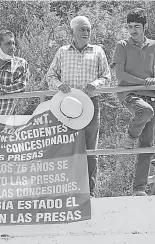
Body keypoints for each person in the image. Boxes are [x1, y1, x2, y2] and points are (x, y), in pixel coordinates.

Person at [46, 16, 111, 197]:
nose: (86, 33)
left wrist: (95, 84)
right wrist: (59, 86)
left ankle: (89, 191)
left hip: (91, 104)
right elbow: (50, 76)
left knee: (90, 149)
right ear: (72, 32)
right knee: (67, 147)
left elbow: (107, 76)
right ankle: (66, 190)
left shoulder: (98, 51)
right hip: (65, 107)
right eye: (82, 29)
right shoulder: (62, 51)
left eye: (88, 30)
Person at [112, 8, 155, 196]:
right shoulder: (122, 45)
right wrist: (144, 82)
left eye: (136, 27)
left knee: (149, 139)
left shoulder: (154, 45)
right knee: (145, 112)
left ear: (145, 27)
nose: (132, 30)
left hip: (151, 94)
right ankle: (130, 135)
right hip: (131, 94)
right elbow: (120, 75)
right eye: (129, 27)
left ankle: (139, 189)